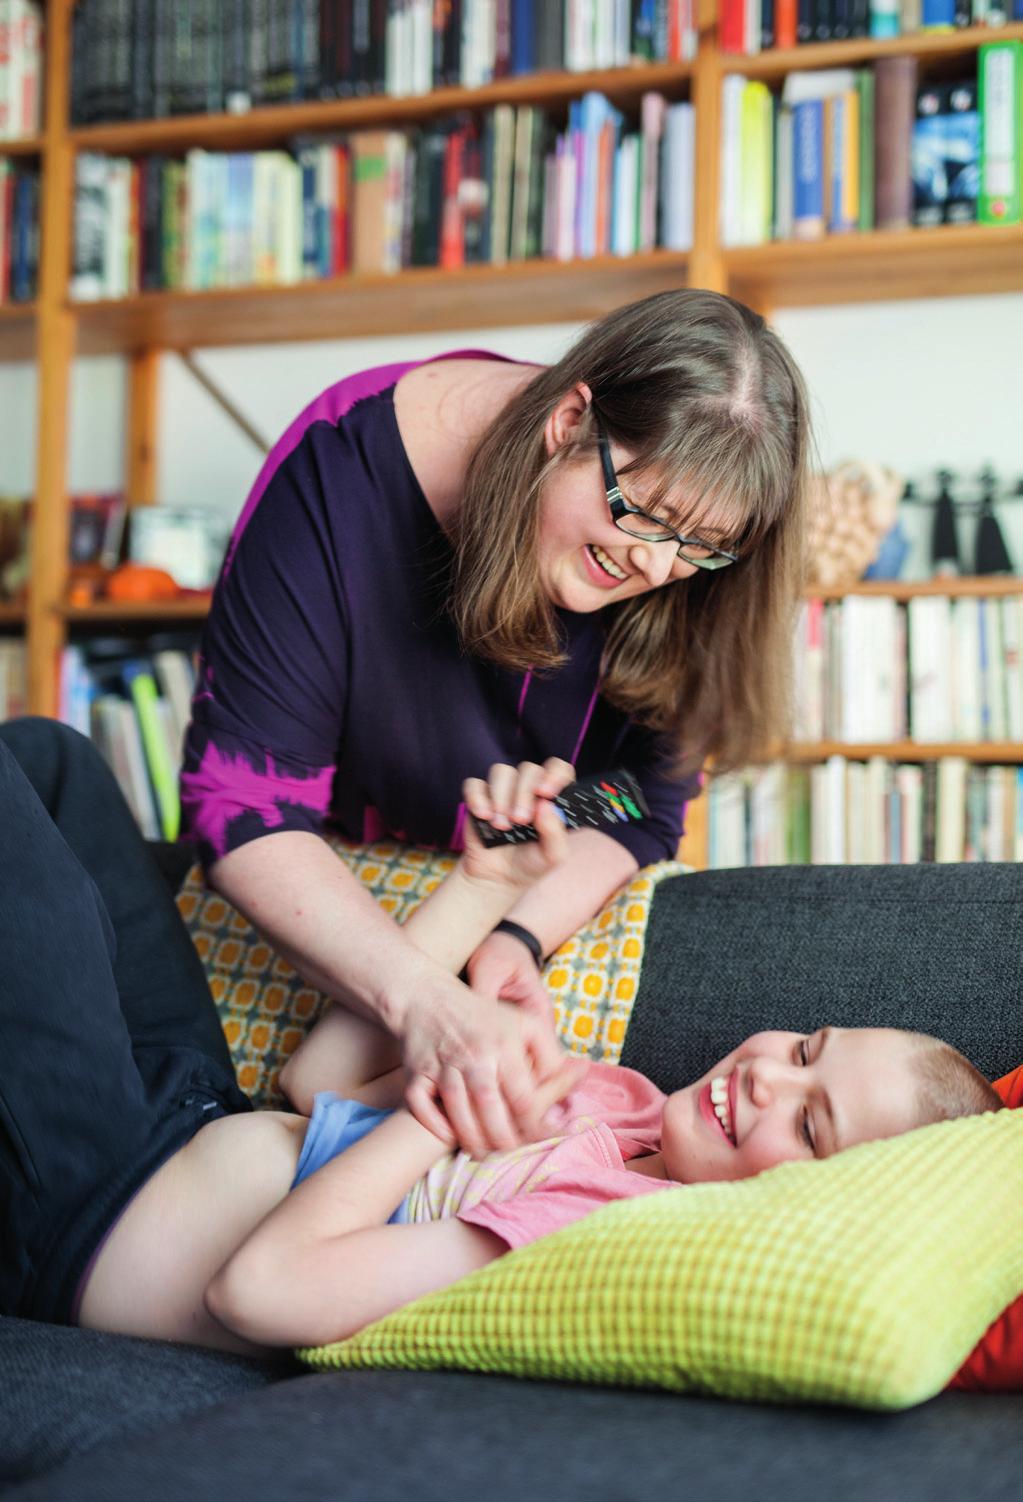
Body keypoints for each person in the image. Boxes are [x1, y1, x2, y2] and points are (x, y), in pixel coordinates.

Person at [1, 720, 1001, 1358]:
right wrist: (483, 890)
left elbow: (258, 1291)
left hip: (95, 1212)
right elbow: (319, 1079)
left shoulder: (605, 1229)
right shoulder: (623, 1105)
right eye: (807, 1046)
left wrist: (445, 1111)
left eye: (812, 1124)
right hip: (195, 1109)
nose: (767, 1074)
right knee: (55, 758)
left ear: (819, 1200)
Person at [179, 289, 814, 1153]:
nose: (657, 565)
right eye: (641, 514)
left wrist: (513, 927)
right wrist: (427, 998)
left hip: (510, 888)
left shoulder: (694, 565)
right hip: (334, 901)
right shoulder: (345, 465)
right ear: (567, 419)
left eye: (702, 545)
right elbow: (239, 808)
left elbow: (638, 800)